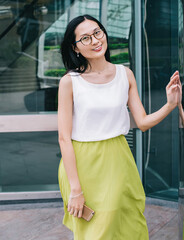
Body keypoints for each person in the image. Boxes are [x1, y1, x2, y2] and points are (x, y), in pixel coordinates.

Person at [57, 14, 181, 240]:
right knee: (96, 231)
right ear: (75, 48)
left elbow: (142, 123)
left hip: (119, 157)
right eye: (85, 38)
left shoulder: (125, 74)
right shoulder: (69, 82)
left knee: (127, 225)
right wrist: (75, 190)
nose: (95, 41)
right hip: (83, 162)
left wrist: (170, 104)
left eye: (97, 33)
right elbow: (64, 138)